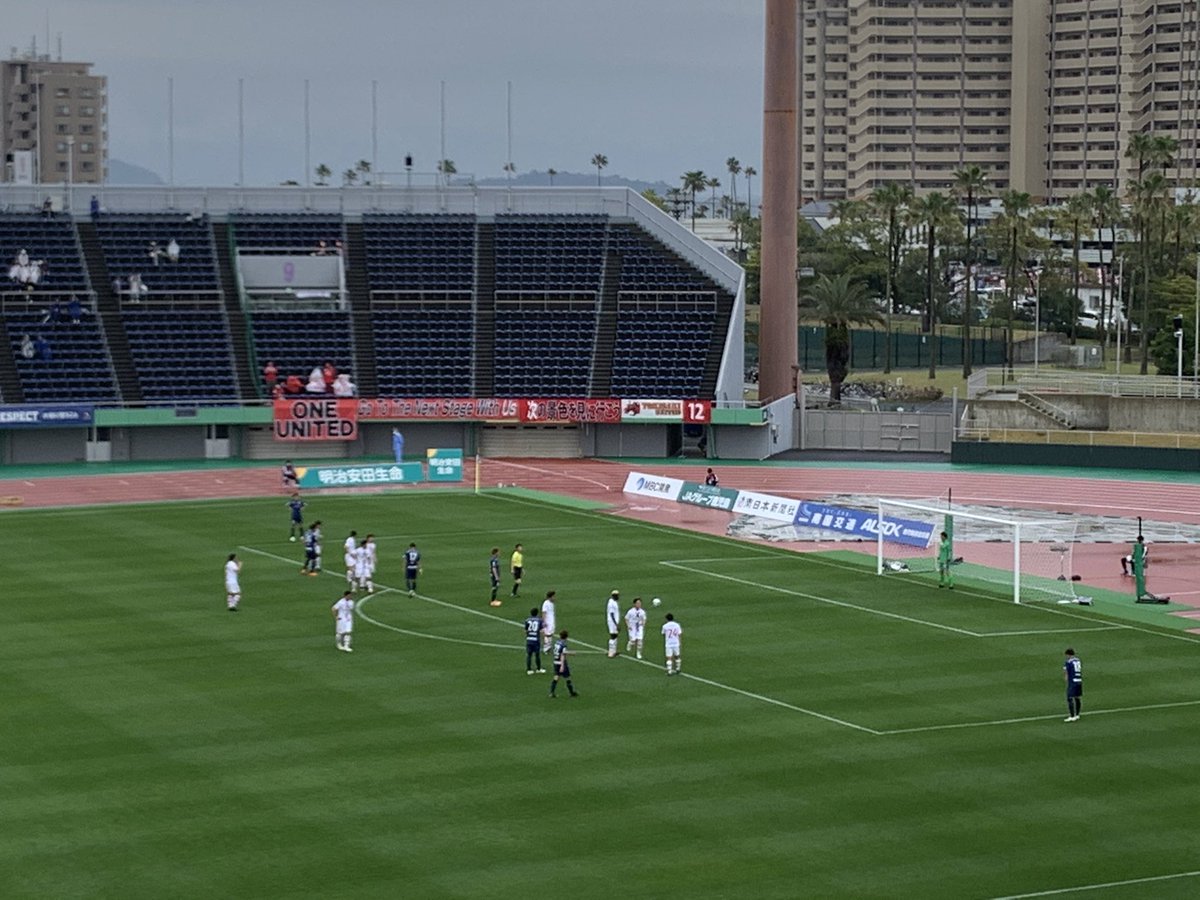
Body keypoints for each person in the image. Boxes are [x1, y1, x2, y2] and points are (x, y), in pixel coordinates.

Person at [548, 629, 578, 698]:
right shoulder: (564, 644)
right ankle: (572, 693)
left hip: (555, 661)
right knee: (567, 677)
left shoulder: (557, 642)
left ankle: (551, 692)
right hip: (561, 662)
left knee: (556, 676)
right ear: (566, 637)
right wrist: (571, 653)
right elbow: (563, 654)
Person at [1063, 647, 1083, 722]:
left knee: (1070, 698)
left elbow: (1066, 672)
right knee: (1077, 697)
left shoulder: (1068, 662)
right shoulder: (1078, 660)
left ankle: (1072, 716)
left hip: (1073, 681)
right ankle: (1077, 714)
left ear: (1068, 654)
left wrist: (1066, 679)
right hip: (1079, 680)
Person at [524, 608, 545, 674]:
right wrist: (543, 638)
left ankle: (529, 669)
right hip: (536, 640)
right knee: (537, 654)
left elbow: (525, 631)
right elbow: (541, 631)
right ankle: (538, 669)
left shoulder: (527, 620)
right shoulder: (539, 620)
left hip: (529, 639)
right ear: (537, 613)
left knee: (529, 655)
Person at [605, 590, 621, 658]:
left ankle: (614, 651)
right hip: (612, 622)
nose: (618, 597)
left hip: (614, 622)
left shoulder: (614, 602)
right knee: (613, 636)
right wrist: (616, 624)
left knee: (615, 636)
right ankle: (611, 652)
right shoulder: (611, 603)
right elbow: (611, 614)